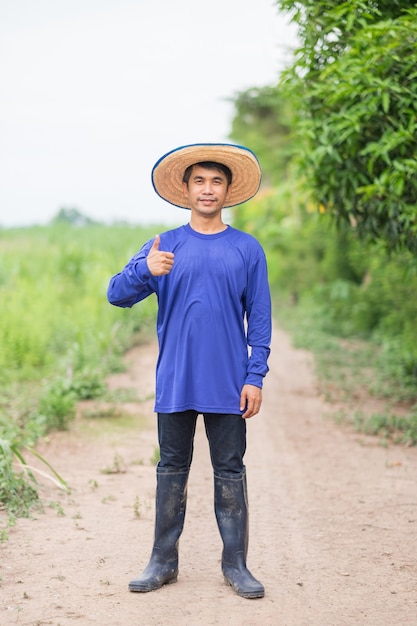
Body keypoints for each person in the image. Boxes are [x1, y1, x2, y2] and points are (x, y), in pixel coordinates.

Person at [107, 143, 271, 599]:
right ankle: (163, 561)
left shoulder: (246, 248)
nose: (207, 189)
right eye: (199, 180)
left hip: (228, 383)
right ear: (185, 189)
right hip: (175, 380)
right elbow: (116, 294)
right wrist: (145, 269)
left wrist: (254, 376)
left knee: (230, 470)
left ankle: (236, 564)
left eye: (216, 181)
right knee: (171, 468)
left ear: (228, 190)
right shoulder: (164, 246)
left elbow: (259, 317)